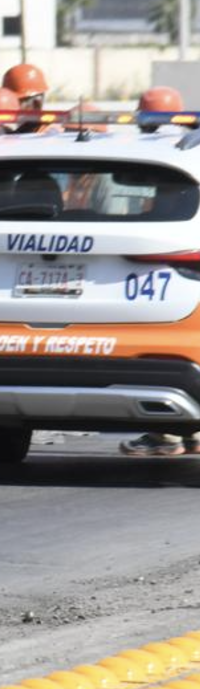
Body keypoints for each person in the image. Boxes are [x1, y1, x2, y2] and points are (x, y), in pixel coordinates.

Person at [122, 85, 199, 457]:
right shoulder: (182, 151)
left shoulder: (144, 152)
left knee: (155, 349)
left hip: (160, 271)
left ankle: (165, 434)